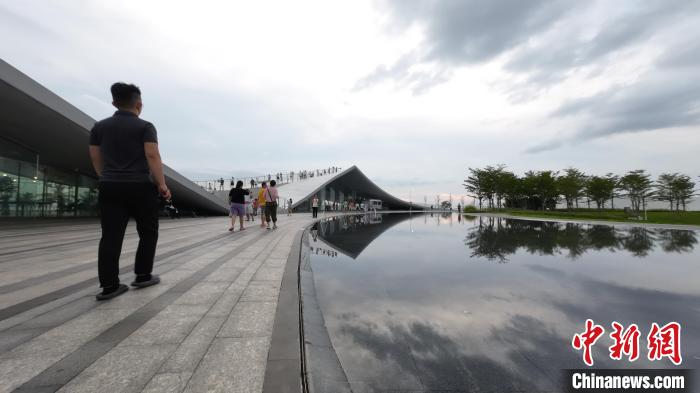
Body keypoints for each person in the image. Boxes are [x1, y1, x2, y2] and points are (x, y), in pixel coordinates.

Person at [88, 82, 168, 301]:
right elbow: (152, 156)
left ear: (114, 102)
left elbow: (95, 156)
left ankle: (109, 286)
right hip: (140, 186)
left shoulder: (99, 127)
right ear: (139, 104)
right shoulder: (145, 127)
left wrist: (105, 176)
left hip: (110, 186)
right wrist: (162, 184)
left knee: (110, 236)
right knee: (148, 231)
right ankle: (142, 275)